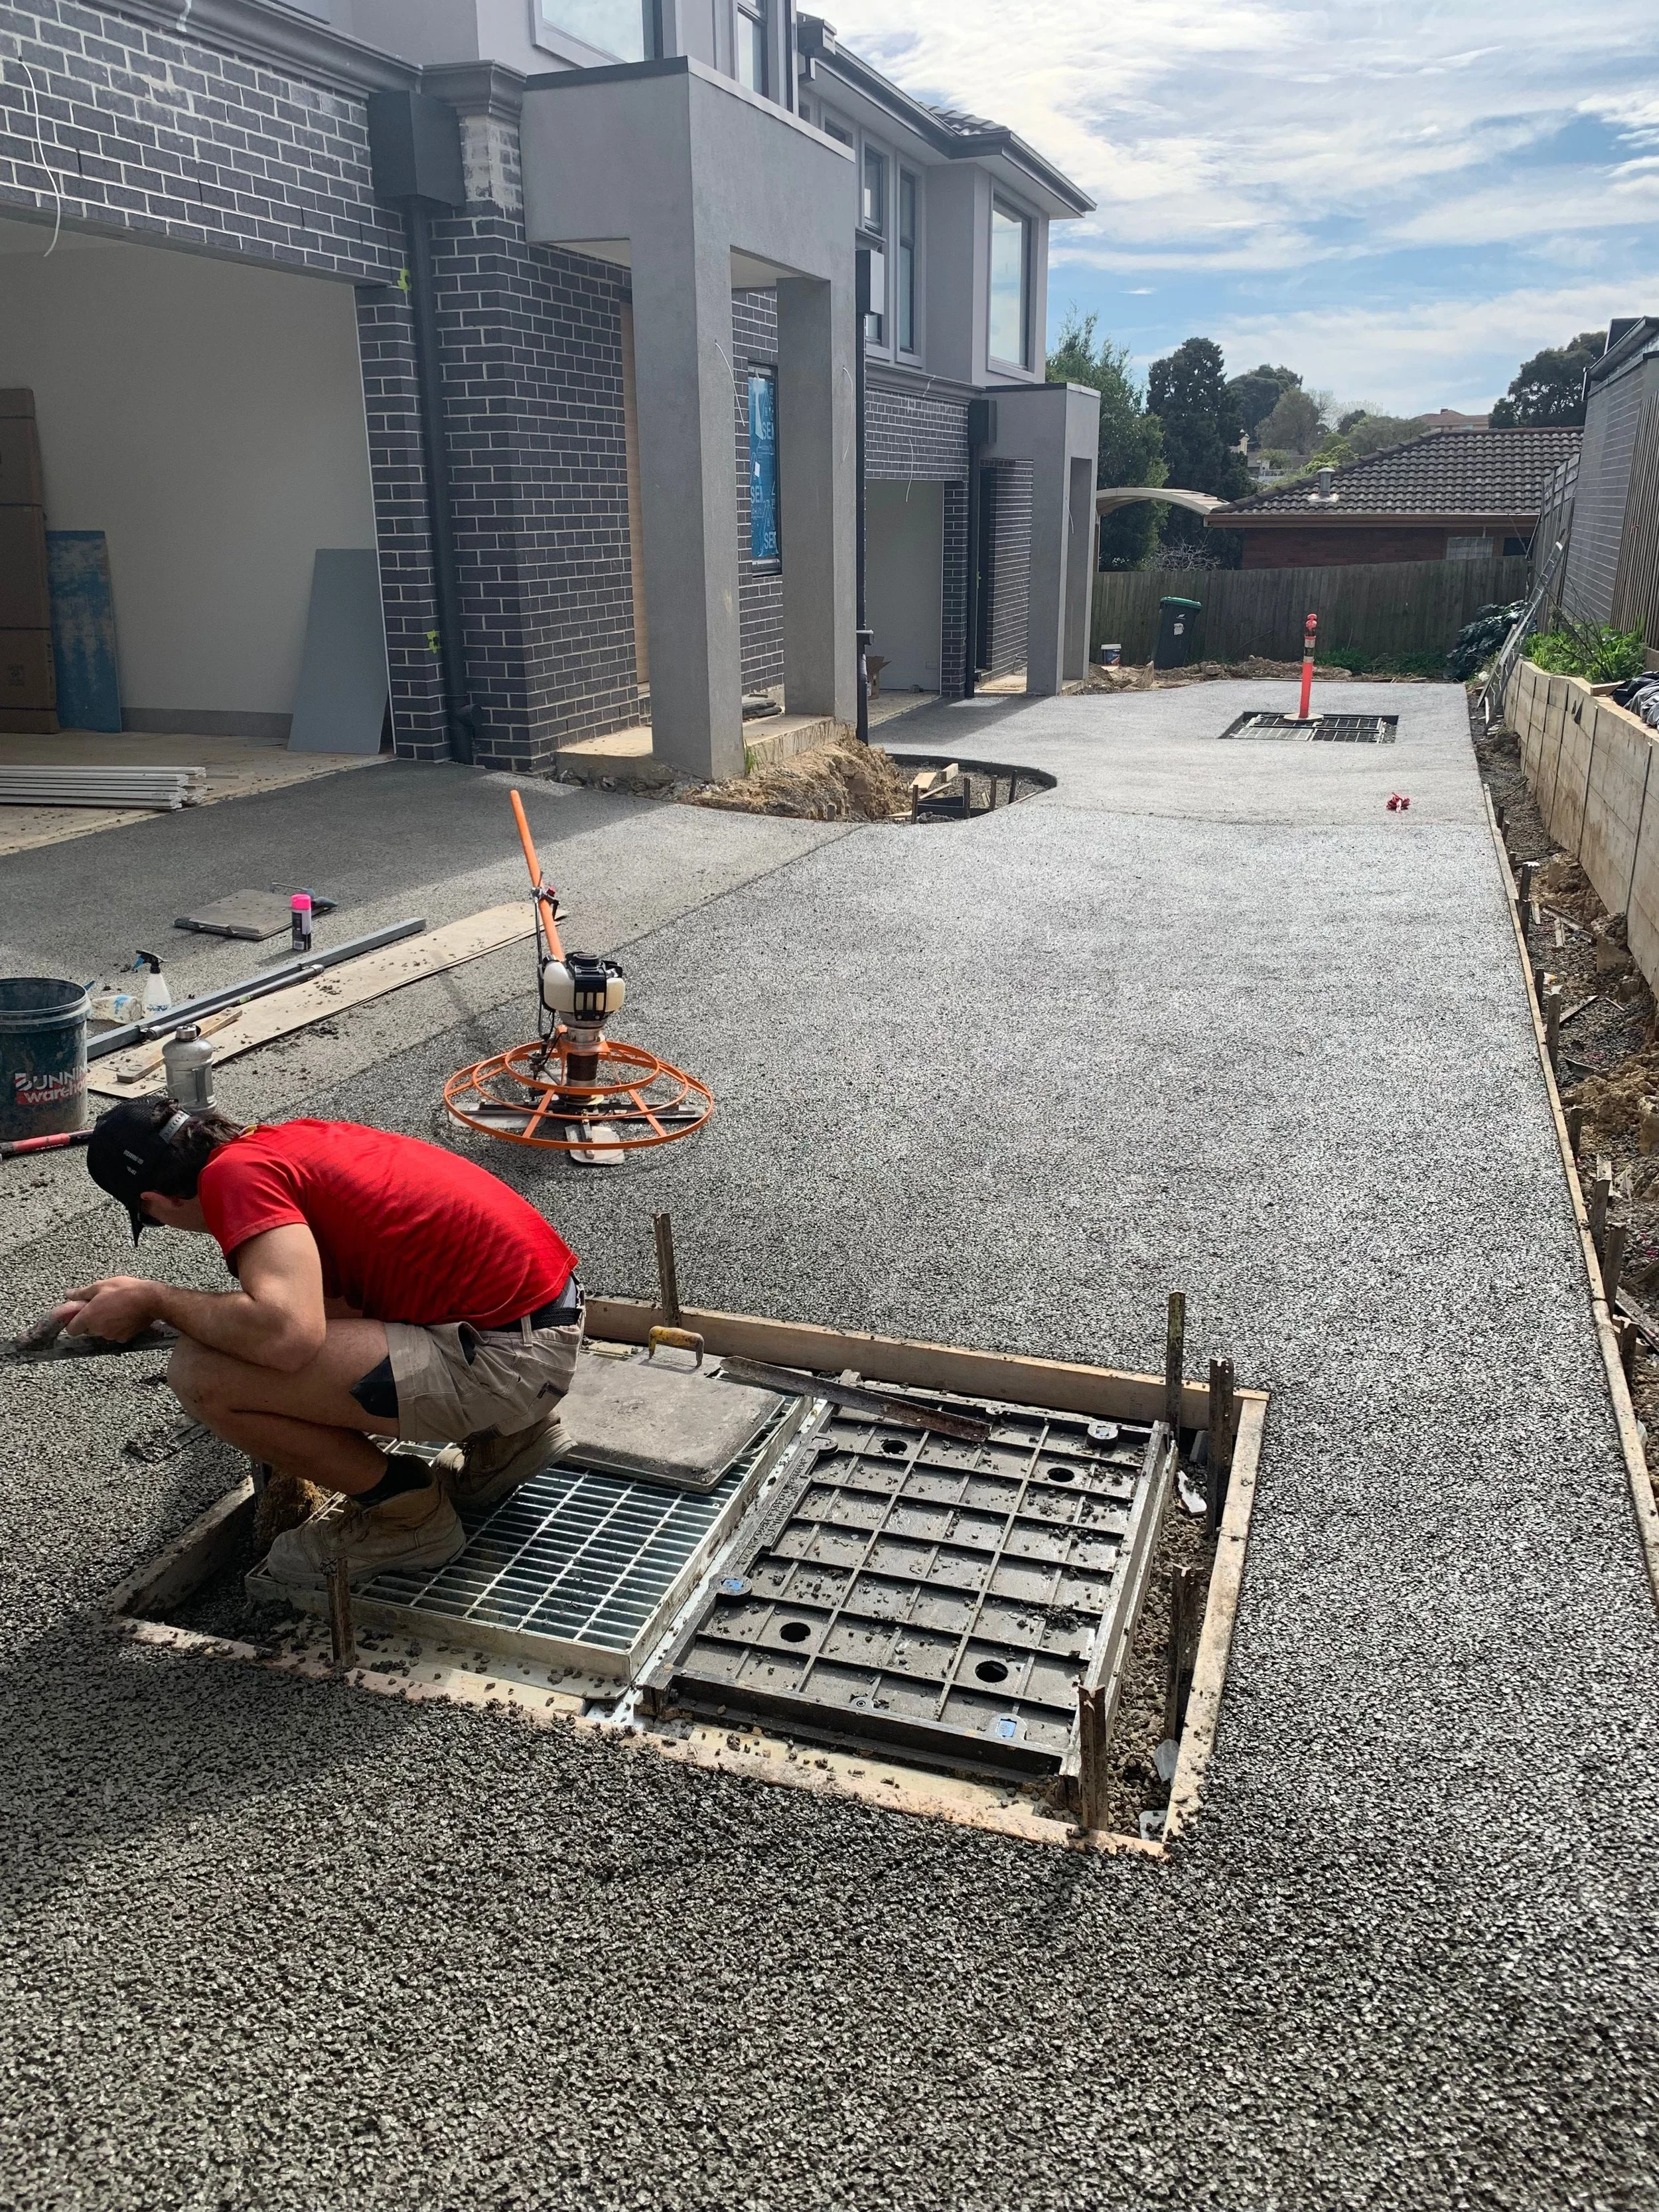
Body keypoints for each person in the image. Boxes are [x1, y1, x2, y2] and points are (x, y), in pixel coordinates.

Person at [60, 1099, 584, 1589]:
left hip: (505, 1359)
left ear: (152, 1202)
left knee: (200, 1374)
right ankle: (511, 1441)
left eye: (151, 1220)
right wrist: (169, 1311)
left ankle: (407, 1515)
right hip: (542, 1322)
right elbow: (334, 1302)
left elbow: (287, 1335)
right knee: (273, 1325)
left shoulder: (231, 1178)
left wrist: (156, 1298)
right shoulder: (282, 1143)